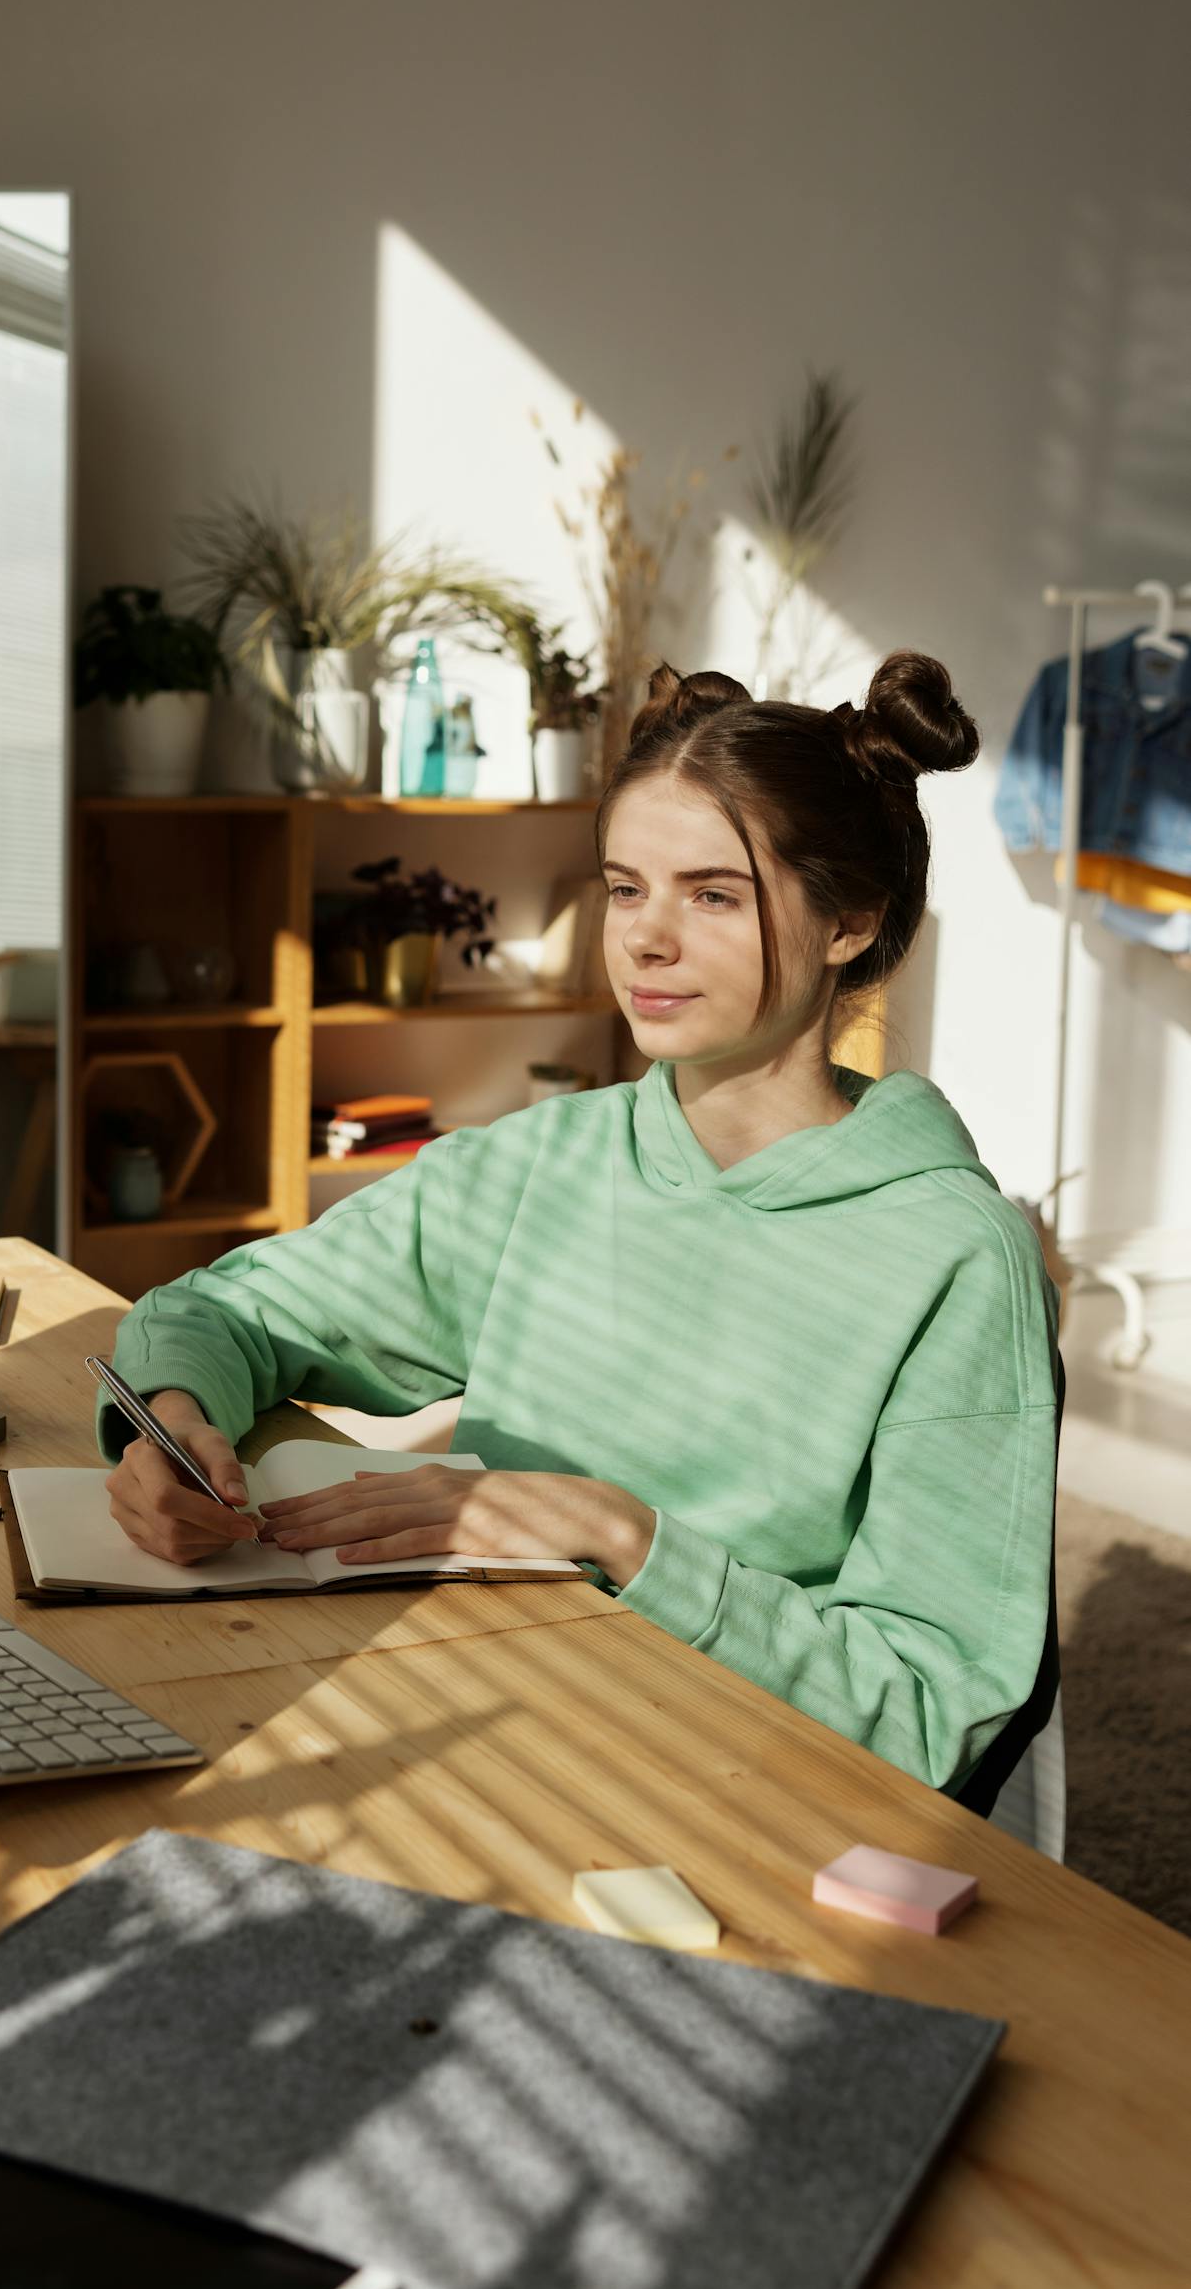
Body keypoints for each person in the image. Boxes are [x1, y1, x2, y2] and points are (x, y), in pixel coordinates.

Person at [96, 653, 1061, 1794]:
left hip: (722, 1789)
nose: (644, 939)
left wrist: (619, 1535)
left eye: (712, 893)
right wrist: (175, 1426)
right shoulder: (544, 1161)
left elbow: (924, 1707)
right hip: (473, 1720)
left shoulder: (952, 1253)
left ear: (851, 919)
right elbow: (226, 1306)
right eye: (623, 886)